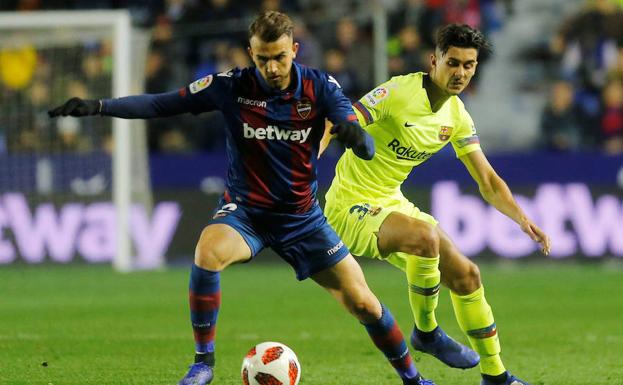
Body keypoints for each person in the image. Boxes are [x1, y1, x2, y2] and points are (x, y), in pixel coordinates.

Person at [48, 11, 437, 385]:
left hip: (302, 219)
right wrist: (100, 107)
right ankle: (203, 363)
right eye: (264, 58)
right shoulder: (231, 86)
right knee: (207, 252)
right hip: (246, 213)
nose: (272, 68)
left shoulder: (319, 87)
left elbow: (363, 142)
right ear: (252, 53)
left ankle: (413, 378)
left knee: (365, 304)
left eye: (280, 57)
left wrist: (358, 138)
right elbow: (161, 104)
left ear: (294, 50)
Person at [323, 24, 551, 385]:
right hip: (350, 204)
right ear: (434, 60)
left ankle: (495, 376)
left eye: (469, 65)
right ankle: (426, 333)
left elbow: (488, 181)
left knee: (467, 275)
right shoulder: (398, 92)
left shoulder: (457, 116)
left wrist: (522, 219)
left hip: (391, 202)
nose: (460, 72)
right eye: (453, 62)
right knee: (425, 237)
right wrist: (303, 169)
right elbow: (340, 121)